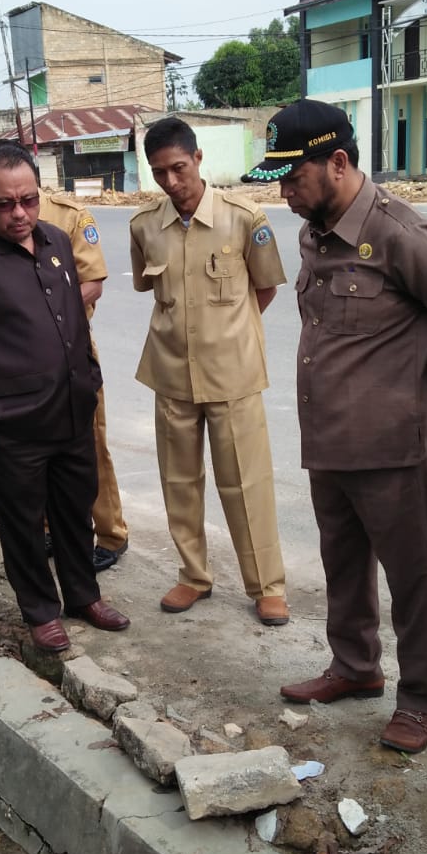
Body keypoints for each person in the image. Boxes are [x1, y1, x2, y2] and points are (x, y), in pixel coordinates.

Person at [248, 99, 427, 754]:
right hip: (328, 438)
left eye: (292, 175)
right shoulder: (315, 227)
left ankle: (420, 697)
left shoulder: (395, 233)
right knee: (344, 562)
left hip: (390, 443)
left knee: (414, 576)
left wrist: (420, 375)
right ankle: (355, 666)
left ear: (337, 162)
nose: (285, 191)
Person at [0, 141, 129, 652]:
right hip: (12, 427)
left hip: (70, 413)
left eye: (28, 199)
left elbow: (74, 321)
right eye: (4, 203)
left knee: (75, 512)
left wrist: (87, 380)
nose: (19, 213)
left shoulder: (58, 243)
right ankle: (41, 610)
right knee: (22, 525)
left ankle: (83, 595)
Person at [130, 117, 290, 626]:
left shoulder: (245, 217)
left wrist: (229, 335)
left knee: (246, 484)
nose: (172, 182)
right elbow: (149, 291)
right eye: (160, 173)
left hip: (233, 376)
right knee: (179, 482)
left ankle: (267, 585)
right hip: (171, 375)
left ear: (198, 159)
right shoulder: (143, 227)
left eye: (179, 168)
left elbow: (263, 288)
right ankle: (193, 575)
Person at [38, 191, 129, 572]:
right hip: (22, 359)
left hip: (71, 348)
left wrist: (43, 314)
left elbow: (93, 281)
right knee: (37, 446)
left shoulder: (70, 216)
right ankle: (49, 528)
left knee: (90, 441)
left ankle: (110, 533)